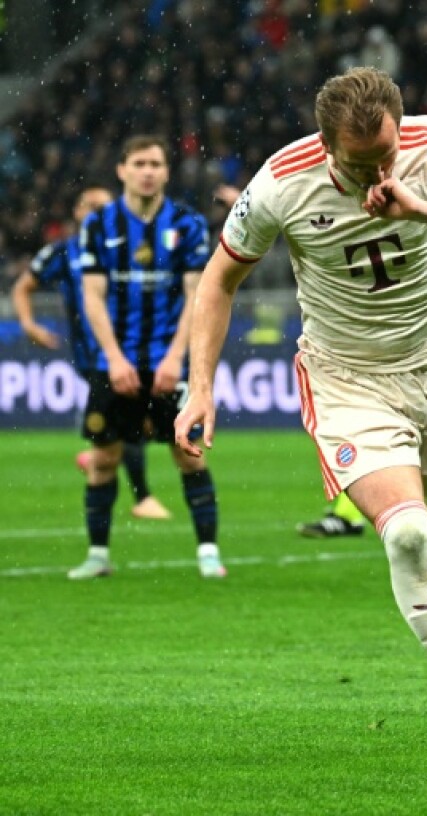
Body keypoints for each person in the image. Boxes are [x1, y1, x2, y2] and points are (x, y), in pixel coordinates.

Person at [173, 67, 427, 776]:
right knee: (407, 534)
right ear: (325, 144)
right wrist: (200, 390)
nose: (376, 173)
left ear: (401, 129)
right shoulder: (283, 181)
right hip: (349, 382)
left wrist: (422, 209)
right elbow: (220, 277)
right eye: (358, 163)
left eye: (385, 156)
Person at [72, 135, 224, 580]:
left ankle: (208, 553)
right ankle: (98, 556)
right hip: (112, 364)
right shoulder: (98, 225)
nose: (148, 171)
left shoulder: (188, 224)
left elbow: (197, 296)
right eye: (139, 162)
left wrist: (176, 358)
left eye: (156, 163)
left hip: (167, 361)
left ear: (166, 171)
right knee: (103, 457)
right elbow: (93, 297)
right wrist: (115, 359)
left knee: (189, 454)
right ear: (121, 169)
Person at [11, 183, 172, 521]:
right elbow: (23, 286)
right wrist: (30, 325)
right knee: (130, 421)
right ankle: (142, 497)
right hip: (95, 357)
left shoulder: (132, 250)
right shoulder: (63, 252)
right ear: (77, 212)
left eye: (104, 207)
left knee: (137, 425)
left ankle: (98, 458)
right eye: (90, 205)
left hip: (139, 351)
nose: (96, 212)